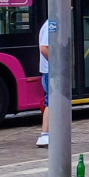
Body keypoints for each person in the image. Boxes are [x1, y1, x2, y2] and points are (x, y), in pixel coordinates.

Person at [36, 18, 51, 148]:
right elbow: (44, 47)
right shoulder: (51, 24)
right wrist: (57, 62)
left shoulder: (52, 24)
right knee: (51, 102)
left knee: (53, 102)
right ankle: (44, 134)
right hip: (51, 71)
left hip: (50, 70)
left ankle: (53, 134)